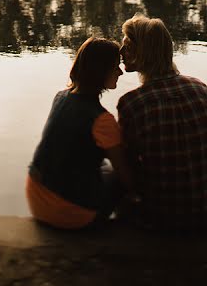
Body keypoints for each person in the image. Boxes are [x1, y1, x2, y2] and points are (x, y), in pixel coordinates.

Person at [117, 14, 207, 231]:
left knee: (114, 173)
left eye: (127, 46)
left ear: (142, 53)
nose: (120, 51)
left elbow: (129, 168)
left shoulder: (132, 103)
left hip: (160, 216)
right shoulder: (202, 89)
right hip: (205, 210)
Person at [26, 37, 134, 229]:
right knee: (126, 176)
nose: (120, 72)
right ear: (100, 71)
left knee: (100, 169)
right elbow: (125, 175)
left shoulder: (61, 96)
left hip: (36, 197)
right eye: (115, 67)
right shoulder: (102, 120)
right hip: (70, 213)